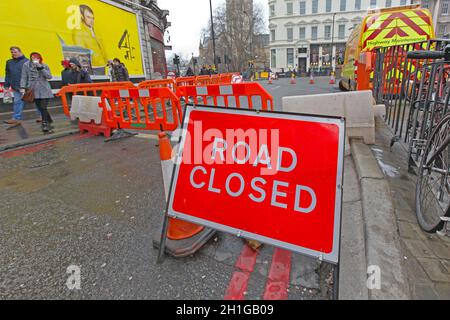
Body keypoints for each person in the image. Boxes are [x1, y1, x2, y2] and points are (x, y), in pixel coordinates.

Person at [20, 52, 54, 133]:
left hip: (44, 89)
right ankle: (49, 119)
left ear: (40, 58)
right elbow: (24, 77)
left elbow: (49, 77)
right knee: (40, 107)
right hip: (33, 89)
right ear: (30, 58)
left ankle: (45, 123)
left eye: (37, 58)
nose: (35, 59)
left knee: (43, 107)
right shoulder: (26, 65)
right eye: (33, 57)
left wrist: (41, 68)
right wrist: (22, 87)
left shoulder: (44, 65)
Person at [72, 5, 108, 70]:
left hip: (102, 65)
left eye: (93, 18)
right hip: (92, 67)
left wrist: (106, 61)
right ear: (82, 17)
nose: (91, 20)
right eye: (88, 17)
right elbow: (81, 52)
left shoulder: (95, 30)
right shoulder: (79, 31)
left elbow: (103, 48)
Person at [3, 47, 29, 125]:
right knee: (17, 101)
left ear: (20, 52)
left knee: (36, 101)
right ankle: (16, 118)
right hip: (15, 86)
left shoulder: (27, 61)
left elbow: (31, 74)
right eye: (12, 52)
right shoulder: (9, 62)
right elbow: (8, 74)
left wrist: (26, 86)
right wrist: (6, 85)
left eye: (15, 52)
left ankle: (42, 116)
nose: (13, 54)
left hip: (27, 86)